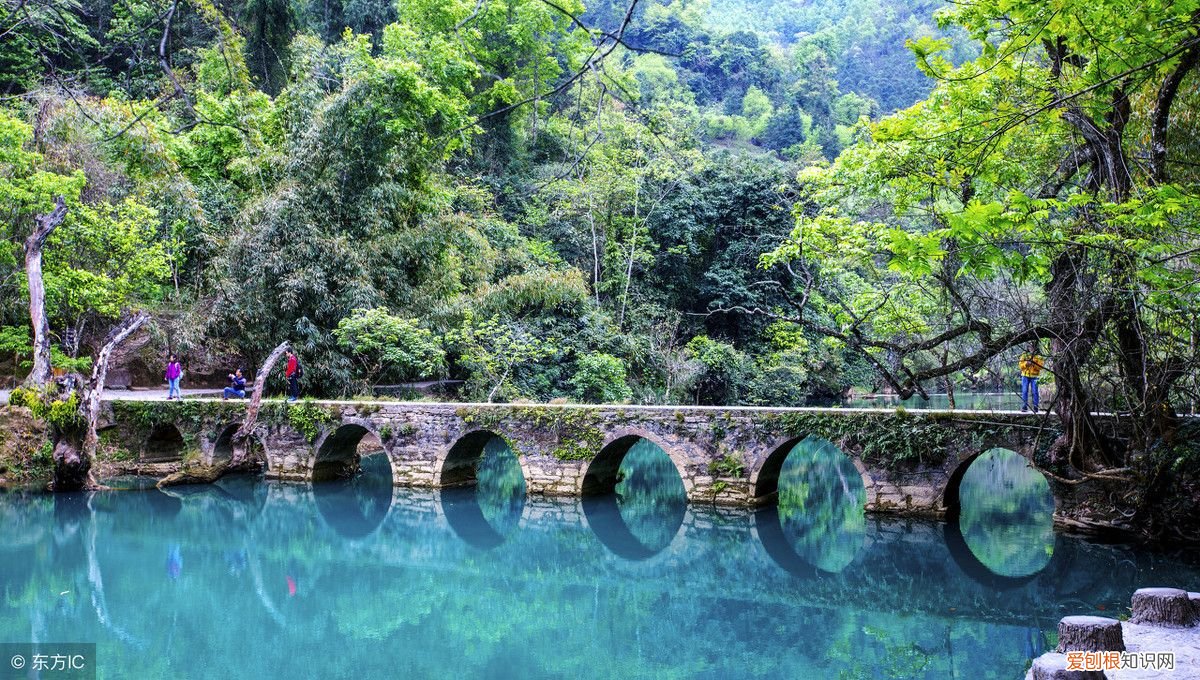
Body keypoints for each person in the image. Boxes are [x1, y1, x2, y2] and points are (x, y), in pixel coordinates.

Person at [1018, 347, 1045, 412]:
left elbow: (1041, 367)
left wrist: (1034, 364)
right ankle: (1024, 406)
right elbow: (1020, 366)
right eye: (1030, 346)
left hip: (1035, 376)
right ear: (1028, 347)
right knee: (1024, 391)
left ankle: (1036, 407)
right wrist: (1026, 364)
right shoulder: (1024, 355)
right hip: (1025, 375)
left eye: (1032, 346)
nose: (1031, 348)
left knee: (1035, 391)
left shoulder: (1039, 356)